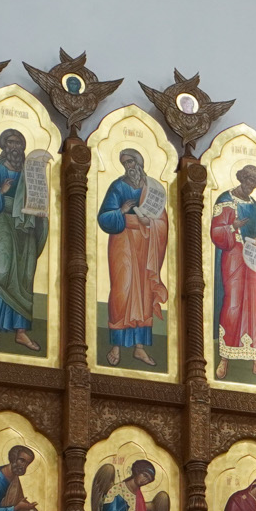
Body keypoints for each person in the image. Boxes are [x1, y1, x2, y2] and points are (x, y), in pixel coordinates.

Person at [0, 128, 47, 353]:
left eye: (18, 143)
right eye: (11, 143)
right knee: (1, 271)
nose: (15, 147)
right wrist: (0, 192)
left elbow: (39, 198)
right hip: (2, 221)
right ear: (4, 146)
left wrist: (40, 211)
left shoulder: (30, 171)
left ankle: (21, 331)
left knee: (25, 276)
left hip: (26, 226)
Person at [98, 148, 169, 367]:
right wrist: (121, 211)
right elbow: (104, 217)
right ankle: (116, 346)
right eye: (125, 163)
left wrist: (151, 223)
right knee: (123, 289)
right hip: (122, 242)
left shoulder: (153, 188)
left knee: (144, 293)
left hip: (146, 245)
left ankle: (139, 347)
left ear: (139, 162)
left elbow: (162, 220)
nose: (128, 166)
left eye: (131, 161)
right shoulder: (118, 186)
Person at [210, 166, 256, 379]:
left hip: (254, 261)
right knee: (233, 304)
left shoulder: (254, 206)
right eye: (249, 182)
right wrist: (232, 227)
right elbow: (216, 232)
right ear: (242, 178)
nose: (251, 187)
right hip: (234, 258)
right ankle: (224, 360)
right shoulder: (225, 200)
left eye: (254, 185)